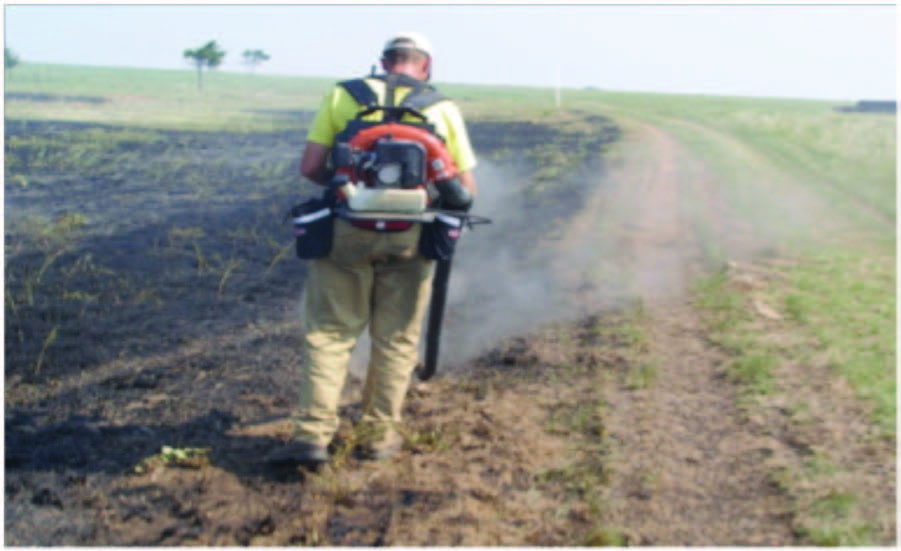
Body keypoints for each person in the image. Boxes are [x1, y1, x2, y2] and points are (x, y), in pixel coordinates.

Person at [268, 32, 478, 467]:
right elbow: (465, 190)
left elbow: (310, 167)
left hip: (347, 231)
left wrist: (353, 187)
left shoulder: (342, 95)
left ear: (382, 62)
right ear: (426, 67)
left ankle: (311, 438)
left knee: (330, 333)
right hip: (411, 236)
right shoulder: (442, 107)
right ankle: (378, 438)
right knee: (397, 339)